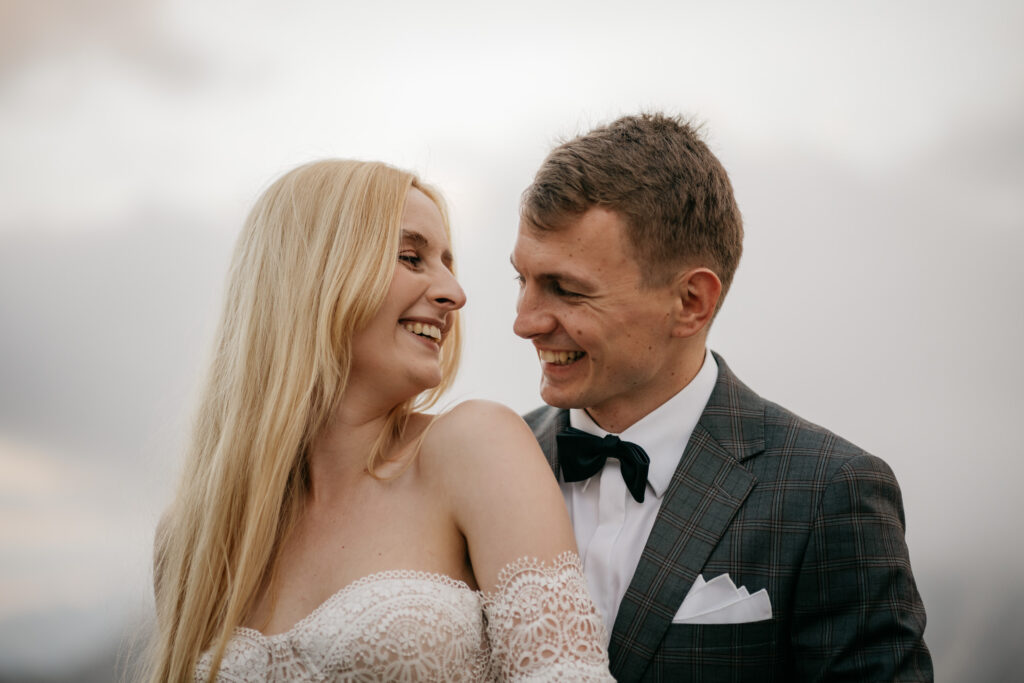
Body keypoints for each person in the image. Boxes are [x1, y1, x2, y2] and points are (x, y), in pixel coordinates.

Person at [148, 159, 613, 681]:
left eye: (448, 264)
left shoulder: (476, 445)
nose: (455, 294)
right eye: (411, 257)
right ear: (312, 275)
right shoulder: (192, 535)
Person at [512, 113, 933, 681]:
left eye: (566, 289)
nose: (525, 322)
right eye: (522, 280)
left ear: (691, 302)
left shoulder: (830, 493)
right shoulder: (487, 465)